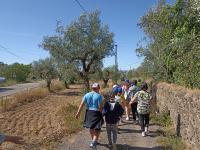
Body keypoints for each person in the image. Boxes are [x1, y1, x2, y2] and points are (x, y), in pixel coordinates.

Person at [75, 83, 104, 149]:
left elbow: (81, 104)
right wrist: (101, 113)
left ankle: (93, 141)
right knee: (97, 128)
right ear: (98, 88)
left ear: (92, 88)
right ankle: (94, 142)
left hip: (89, 112)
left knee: (91, 127)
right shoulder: (99, 96)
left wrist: (78, 113)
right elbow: (100, 107)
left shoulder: (86, 95)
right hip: (96, 112)